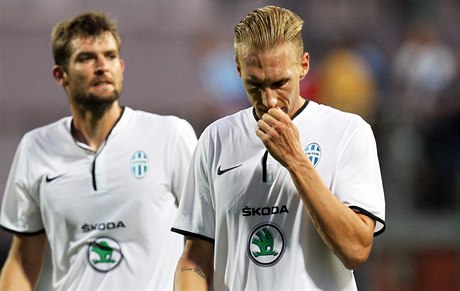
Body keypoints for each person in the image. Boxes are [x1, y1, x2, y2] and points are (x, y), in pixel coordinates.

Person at [171, 5, 385, 290]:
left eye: (279, 82)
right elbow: (195, 259)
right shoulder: (215, 139)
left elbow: (356, 250)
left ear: (304, 66)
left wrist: (296, 160)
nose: (269, 100)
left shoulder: (347, 131)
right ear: (238, 69)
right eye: (255, 84)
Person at [0, 12, 197, 290]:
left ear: (122, 66)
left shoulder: (170, 135)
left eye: (110, 55)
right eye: (86, 58)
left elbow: (207, 241)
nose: (102, 66)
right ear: (61, 75)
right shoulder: (36, 148)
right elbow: (23, 260)